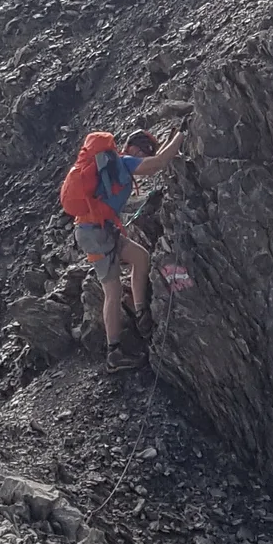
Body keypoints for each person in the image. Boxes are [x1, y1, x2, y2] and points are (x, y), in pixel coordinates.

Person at [59, 126, 185, 372]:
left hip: (101, 230)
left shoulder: (114, 168)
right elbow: (157, 164)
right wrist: (180, 137)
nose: (145, 156)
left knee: (140, 257)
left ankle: (141, 315)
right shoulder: (122, 162)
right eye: (145, 151)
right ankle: (114, 353)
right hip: (94, 233)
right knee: (112, 291)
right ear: (136, 149)